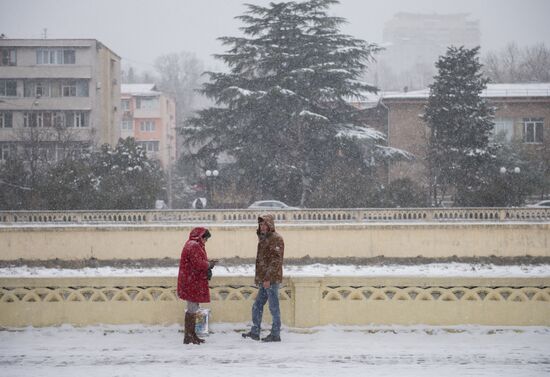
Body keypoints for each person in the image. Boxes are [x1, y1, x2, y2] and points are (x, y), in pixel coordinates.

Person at [242, 214, 285, 342]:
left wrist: (267, 278)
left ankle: (275, 334)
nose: (262, 227)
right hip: (264, 279)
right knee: (257, 306)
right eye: (261, 225)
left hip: (270, 280)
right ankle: (255, 332)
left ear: (270, 225)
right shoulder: (264, 238)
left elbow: (276, 261)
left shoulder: (276, 239)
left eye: (265, 224)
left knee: (273, 307)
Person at [177, 227, 217, 345]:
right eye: (205, 239)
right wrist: (209, 264)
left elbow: (197, 261)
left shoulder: (192, 244)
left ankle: (191, 334)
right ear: (201, 236)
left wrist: (208, 263)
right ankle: (189, 336)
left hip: (191, 280)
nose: (206, 241)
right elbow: (197, 263)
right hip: (192, 281)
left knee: (193, 308)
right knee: (192, 309)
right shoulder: (194, 245)